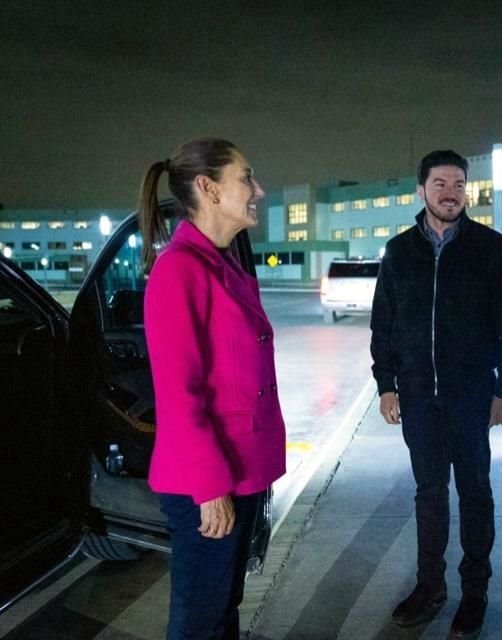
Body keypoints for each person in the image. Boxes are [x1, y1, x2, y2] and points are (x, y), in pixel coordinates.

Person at [370, 149, 502, 638]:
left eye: (459, 184)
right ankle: (430, 587)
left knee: (475, 494)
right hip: (419, 398)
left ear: (468, 191)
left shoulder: (493, 249)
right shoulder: (400, 253)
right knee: (429, 494)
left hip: (470, 398)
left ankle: (474, 593)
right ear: (421, 190)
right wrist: (386, 384)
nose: (450, 192)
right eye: (440, 183)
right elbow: (384, 325)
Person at [140, 138, 286, 640]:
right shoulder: (179, 270)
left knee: (224, 610)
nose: (258, 190)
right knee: (199, 622)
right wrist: (209, 489)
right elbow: (181, 395)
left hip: (242, 472)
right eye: (246, 177)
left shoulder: (223, 266)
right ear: (208, 187)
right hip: (209, 482)